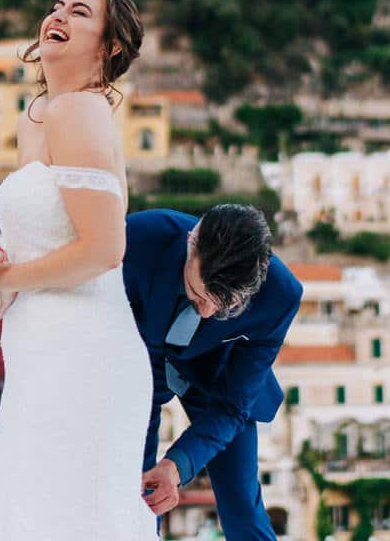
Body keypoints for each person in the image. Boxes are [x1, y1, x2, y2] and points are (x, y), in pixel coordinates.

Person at [0, 0, 154, 540]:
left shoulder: (78, 111)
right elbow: (49, 232)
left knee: (72, 514)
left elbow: (104, 248)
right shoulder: (39, 115)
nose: (60, 16)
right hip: (39, 345)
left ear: (109, 47)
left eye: (80, 12)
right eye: (56, 6)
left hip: (83, 348)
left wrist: (11, 277)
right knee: (38, 509)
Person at [125, 205, 302, 541]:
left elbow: (233, 406)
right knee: (136, 493)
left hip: (220, 376)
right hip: (141, 365)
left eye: (226, 305)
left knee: (241, 506)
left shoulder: (281, 296)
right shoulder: (137, 239)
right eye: (201, 294)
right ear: (191, 243)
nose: (207, 311)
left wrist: (175, 467)